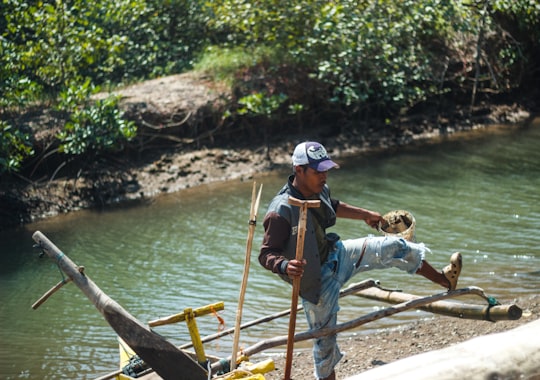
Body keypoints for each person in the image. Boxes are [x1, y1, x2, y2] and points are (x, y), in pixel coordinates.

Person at [258, 141, 462, 380]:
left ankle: (445, 280)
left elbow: (333, 207)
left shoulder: (319, 189)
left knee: (395, 246)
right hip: (315, 282)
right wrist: (285, 265)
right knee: (325, 342)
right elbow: (266, 254)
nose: (323, 176)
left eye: (325, 170)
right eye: (317, 171)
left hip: (338, 255)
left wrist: (365, 214)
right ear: (298, 169)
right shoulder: (280, 211)